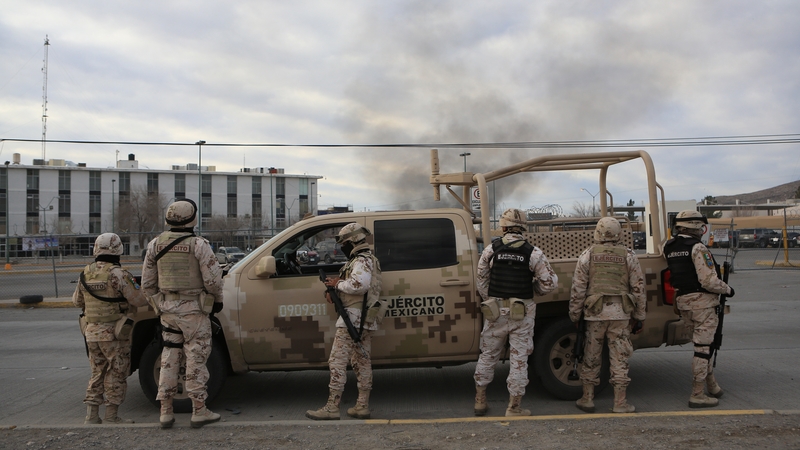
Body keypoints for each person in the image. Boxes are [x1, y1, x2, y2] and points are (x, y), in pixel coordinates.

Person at [141, 198, 224, 428]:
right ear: (193, 218)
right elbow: (213, 280)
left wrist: (161, 305)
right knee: (196, 358)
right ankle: (199, 410)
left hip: (168, 312)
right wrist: (216, 301)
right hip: (194, 312)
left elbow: (147, 285)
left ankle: (166, 411)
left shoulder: (155, 245)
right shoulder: (198, 244)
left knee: (169, 357)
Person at [473, 208, 559, 417]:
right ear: (523, 228)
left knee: (488, 355)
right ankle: (514, 407)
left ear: (503, 227)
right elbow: (550, 284)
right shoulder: (534, 252)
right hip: (522, 312)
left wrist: (491, 299)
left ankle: (480, 401)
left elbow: (481, 280)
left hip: (495, 312)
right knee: (519, 359)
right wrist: (531, 292)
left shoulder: (490, 250)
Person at [569, 217, 647, 414]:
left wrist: (575, 315)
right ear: (619, 233)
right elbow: (638, 288)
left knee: (591, 355)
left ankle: (587, 399)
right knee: (619, 357)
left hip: (594, 314)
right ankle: (620, 402)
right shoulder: (629, 255)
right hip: (620, 314)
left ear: (597, 233)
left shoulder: (587, 255)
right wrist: (639, 316)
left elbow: (578, 289)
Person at [306, 223, 383, 420]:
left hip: (353, 319)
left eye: (344, 243)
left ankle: (332, 408)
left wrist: (337, 283)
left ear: (352, 241)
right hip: (363, 319)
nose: (342, 247)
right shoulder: (364, 260)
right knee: (361, 361)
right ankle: (362, 406)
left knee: (337, 361)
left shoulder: (362, 260)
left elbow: (359, 285)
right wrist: (335, 289)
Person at [73, 232, 147, 424]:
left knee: (97, 372)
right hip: (114, 333)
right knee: (116, 372)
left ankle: (91, 415)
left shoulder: (85, 273)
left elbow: (76, 301)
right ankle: (112, 416)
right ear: (118, 250)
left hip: (91, 333)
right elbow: (138, 300)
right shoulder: (119, 274)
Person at [663, 210, 734, 408]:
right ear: (695, 226)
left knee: (704, 346)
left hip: (683, 303)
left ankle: (712, 386)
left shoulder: (668, 246)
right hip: (702, 303)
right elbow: (708, 280)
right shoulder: (697, 248)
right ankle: (697, 393)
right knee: (703, 350)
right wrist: (728, 290)